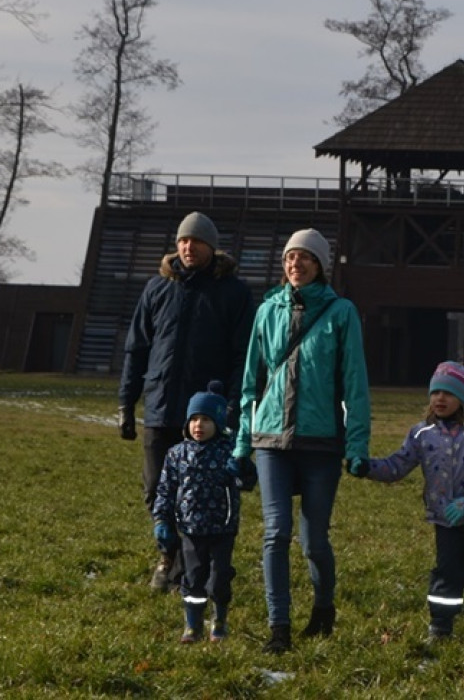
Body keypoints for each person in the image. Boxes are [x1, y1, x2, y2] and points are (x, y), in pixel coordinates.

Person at [233, 228, 372, 655]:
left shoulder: (342, 313)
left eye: (305, 258)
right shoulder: (266, 311)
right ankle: (280, 628)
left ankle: (324, 609)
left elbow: (355, 385)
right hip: (270, 441)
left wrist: (357, 447)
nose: (296, 264)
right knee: (275, 534)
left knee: (313, 541)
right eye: (290, 257)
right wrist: (241, 446)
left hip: (321, 443)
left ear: (320, 265)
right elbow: (250, 384)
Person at [118, 211, 255, 592]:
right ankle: (169, 556)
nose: (187, 247)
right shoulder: (157, 289)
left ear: (212, 246)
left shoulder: (234, 293)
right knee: (155, 491)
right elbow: (136, 349)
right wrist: (126, 404)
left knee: (196, 494)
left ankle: (187, 568)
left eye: (195, 241)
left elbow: (242, 357)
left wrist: (230, 405)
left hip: (204, 417)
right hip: (160, 410)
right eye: (182, 240)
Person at [366, 361, 464, 646]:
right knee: (447, 571)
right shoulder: (422, 433)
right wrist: (366, 467)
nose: (440, 399)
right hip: (445, 519)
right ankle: (440, 625)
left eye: (448, 393)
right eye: (435, 393)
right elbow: (397, 465)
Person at [152, 381, 257, 643]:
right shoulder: (177, 454)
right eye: (194, 419)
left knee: (219, 579)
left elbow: (249, 483)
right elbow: (165, 488)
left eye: (206, 420)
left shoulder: (229, 451)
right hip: (189, 528)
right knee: (193, 578)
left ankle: (219, 619)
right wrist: (161, 519)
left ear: (219, 424)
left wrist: (242, 470)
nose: (199, 425)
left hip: (222, 528)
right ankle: (192, 624)